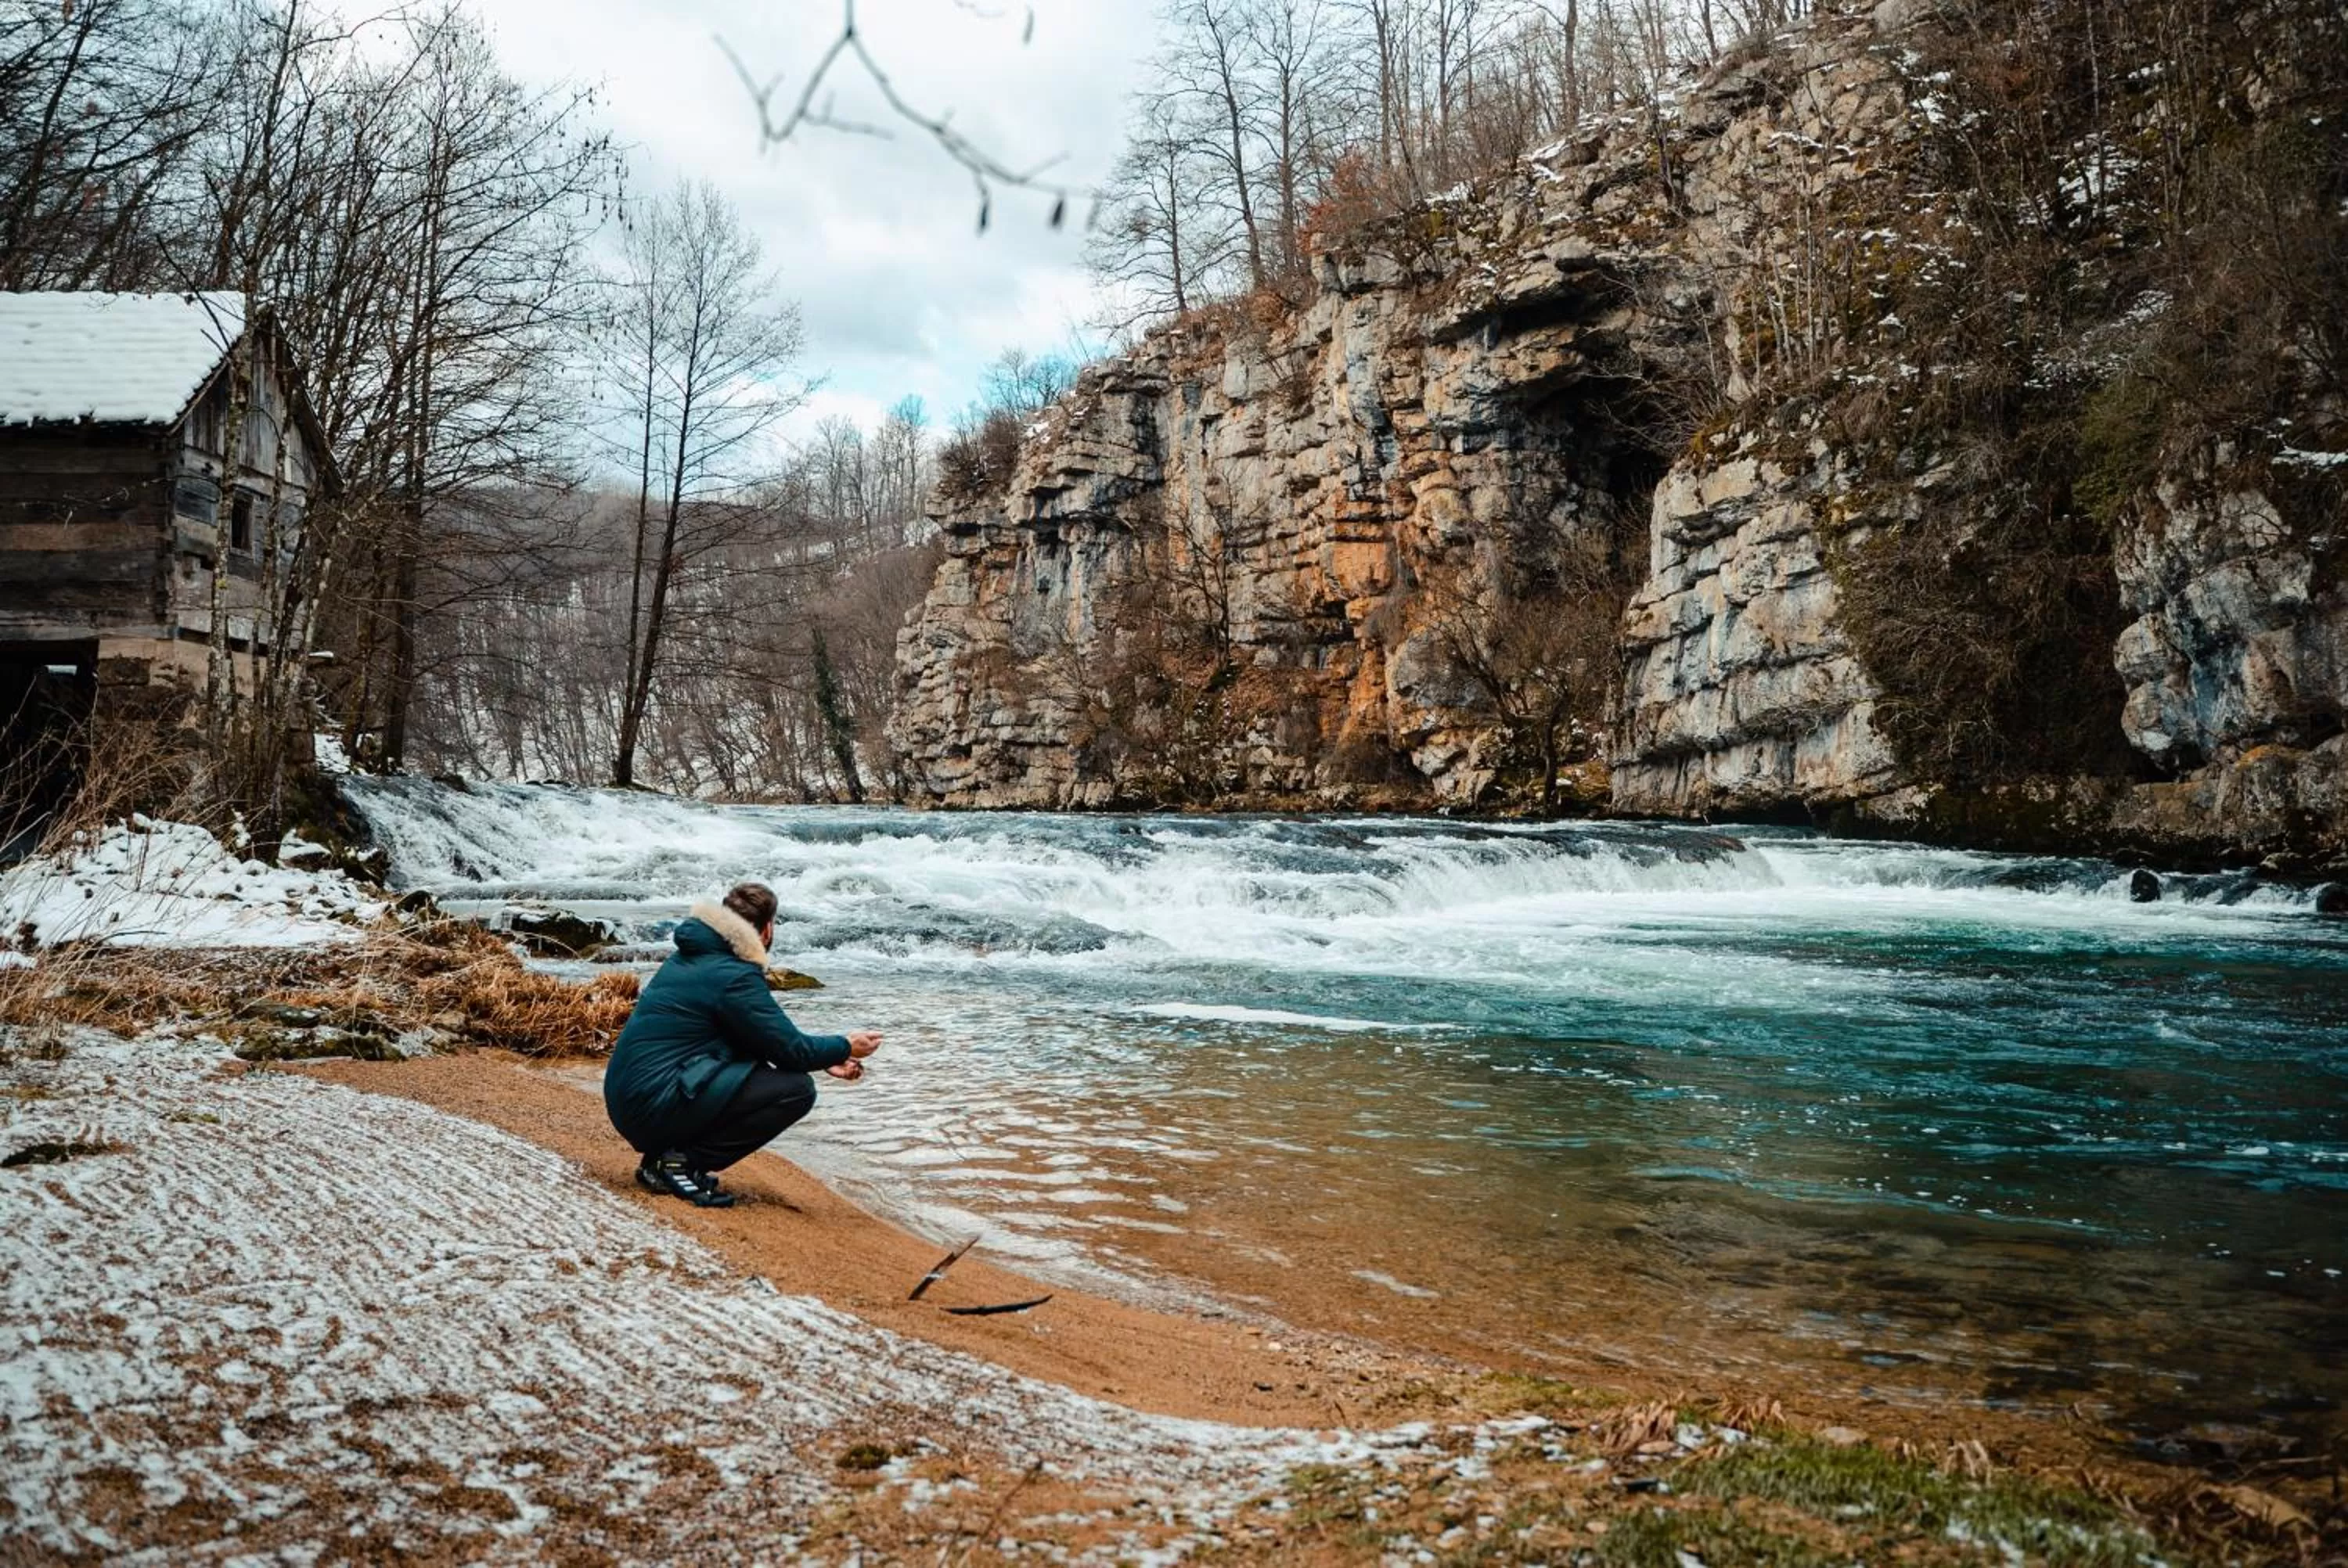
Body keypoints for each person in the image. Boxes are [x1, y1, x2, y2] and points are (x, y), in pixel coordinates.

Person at [603, 880, 880, 1208]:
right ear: (766, 930)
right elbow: (791, 1050)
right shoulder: (735, 974)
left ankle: (666, 1158)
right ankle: (681, 1162)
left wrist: (824, 1059)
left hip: (632, 1098)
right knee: (796, 1090)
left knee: (761, 1069)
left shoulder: (693, 956)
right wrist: (846, 1046)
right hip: (651, 1104)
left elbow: (761, 1038)